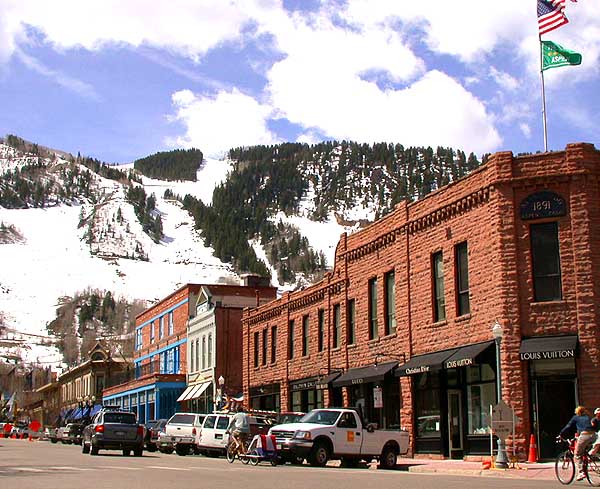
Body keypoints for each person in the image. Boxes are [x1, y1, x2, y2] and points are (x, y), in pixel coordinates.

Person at [560, 406, 596, 481]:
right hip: (594, 436)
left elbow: (568, 426)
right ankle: (588, 459)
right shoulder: (587, 417)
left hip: (584, 435)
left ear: (577, 412)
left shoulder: (576, 417)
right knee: (584, 450)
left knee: (577, 454)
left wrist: (561, 434)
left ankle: (581, 472)